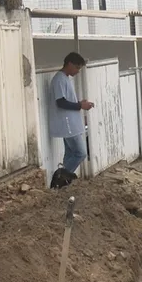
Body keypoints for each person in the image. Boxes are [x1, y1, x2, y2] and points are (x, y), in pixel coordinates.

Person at [49, 52, 94, 188]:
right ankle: (59, 179)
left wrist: (80, 103)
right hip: (67, 125)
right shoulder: (59, 79)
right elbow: (61, 102)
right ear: (69, 64)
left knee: (70, 154)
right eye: (77, 68)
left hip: (70, 123)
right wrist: (80, 105)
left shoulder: (65, 78)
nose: (78, 71)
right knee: (81, 153)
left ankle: (62, 185)